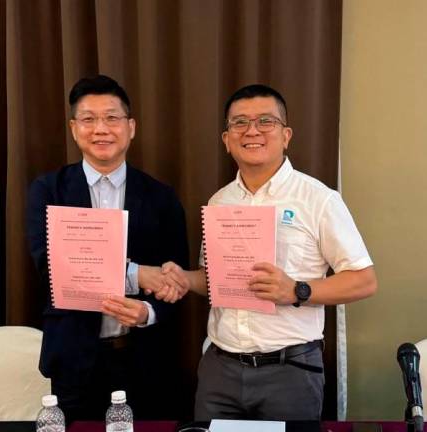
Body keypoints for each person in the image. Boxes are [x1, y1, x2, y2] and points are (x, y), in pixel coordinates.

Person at [162, 84, 377, 421]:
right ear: (226, 139)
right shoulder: (219, 202)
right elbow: (216, 280)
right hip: (221, 368)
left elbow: (364, 281)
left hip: (290, 370)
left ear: (286, 134)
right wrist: (183, 278)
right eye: (239, 123)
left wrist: (297, 290)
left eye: (266, 121)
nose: (252, 131)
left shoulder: (319, 199)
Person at [26, 74, 189, 422]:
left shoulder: (161, 197)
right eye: (88, 119)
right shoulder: (49, 192)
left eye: (112, 117)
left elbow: (176, 279)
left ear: (131, 127)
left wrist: (149, 313)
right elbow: (53, 268)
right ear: (74, 128)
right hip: (73, 361)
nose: (101, 128)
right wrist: (137, 275)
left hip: (144, 361)